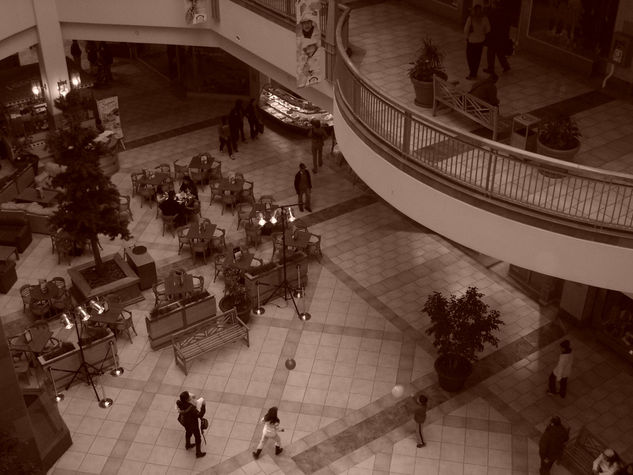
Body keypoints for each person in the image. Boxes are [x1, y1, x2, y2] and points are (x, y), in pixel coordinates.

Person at [176, 391, 206, 458]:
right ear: (187, 399)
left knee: (188, 432)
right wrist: (203, 406)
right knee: (198, 437)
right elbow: (200, 415)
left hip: (185, 422)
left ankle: (188, 444)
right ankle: (198, 453)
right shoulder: (191, 408)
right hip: (193, 424)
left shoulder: (179, 403)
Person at [464, 4, 490, 80]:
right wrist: (482, 33)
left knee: (470, 57)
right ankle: (474, 72)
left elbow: (466, 30)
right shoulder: (485, 18)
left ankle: (472, 72)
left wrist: (466, 37)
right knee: (477, 57)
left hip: (471, 41)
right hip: (481, 41)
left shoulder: (471, 18)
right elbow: (488, 29)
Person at [484, 0, 511, 74]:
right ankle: (505, 66)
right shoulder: (505, 13)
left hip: (493, 36)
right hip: (501, 36)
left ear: (494, 5)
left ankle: (491, 68)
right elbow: (507, 26)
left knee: (490, 52)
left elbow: (488, 24)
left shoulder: (492, 13)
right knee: (500, 52)